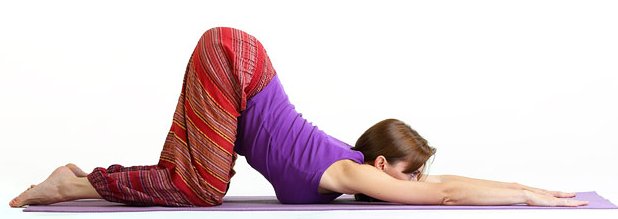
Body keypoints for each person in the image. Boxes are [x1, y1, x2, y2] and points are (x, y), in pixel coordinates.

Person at [10, 27, 588, 208]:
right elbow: (444, 193)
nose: (410, 185)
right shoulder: (351, 170)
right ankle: (75, 182)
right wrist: (531, 197)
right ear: (383, 163)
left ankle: (80, 180)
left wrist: (525, 187)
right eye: (406, 174)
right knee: (201, 188)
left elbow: (440, 183)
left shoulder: (353, 168)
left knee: (186, 173)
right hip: (234, 60)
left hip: (239, 64)